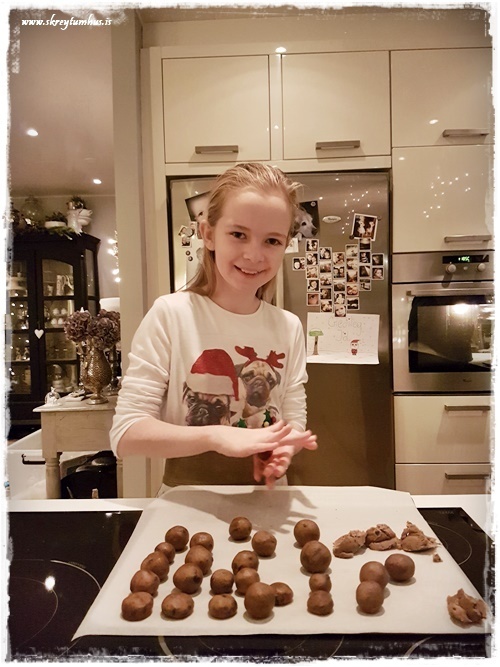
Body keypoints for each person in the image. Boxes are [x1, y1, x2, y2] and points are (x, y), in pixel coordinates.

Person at [110, 163, 317, 490]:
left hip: (269, 500)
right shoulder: (171, 315)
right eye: (238, 234)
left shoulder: (288, 326)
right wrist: (216, 436)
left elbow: (293, 418)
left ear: (285, 245)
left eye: (272, 241)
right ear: (208, 234)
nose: (254, 255)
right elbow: (126, 433)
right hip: (188, 503)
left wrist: (284, 448)